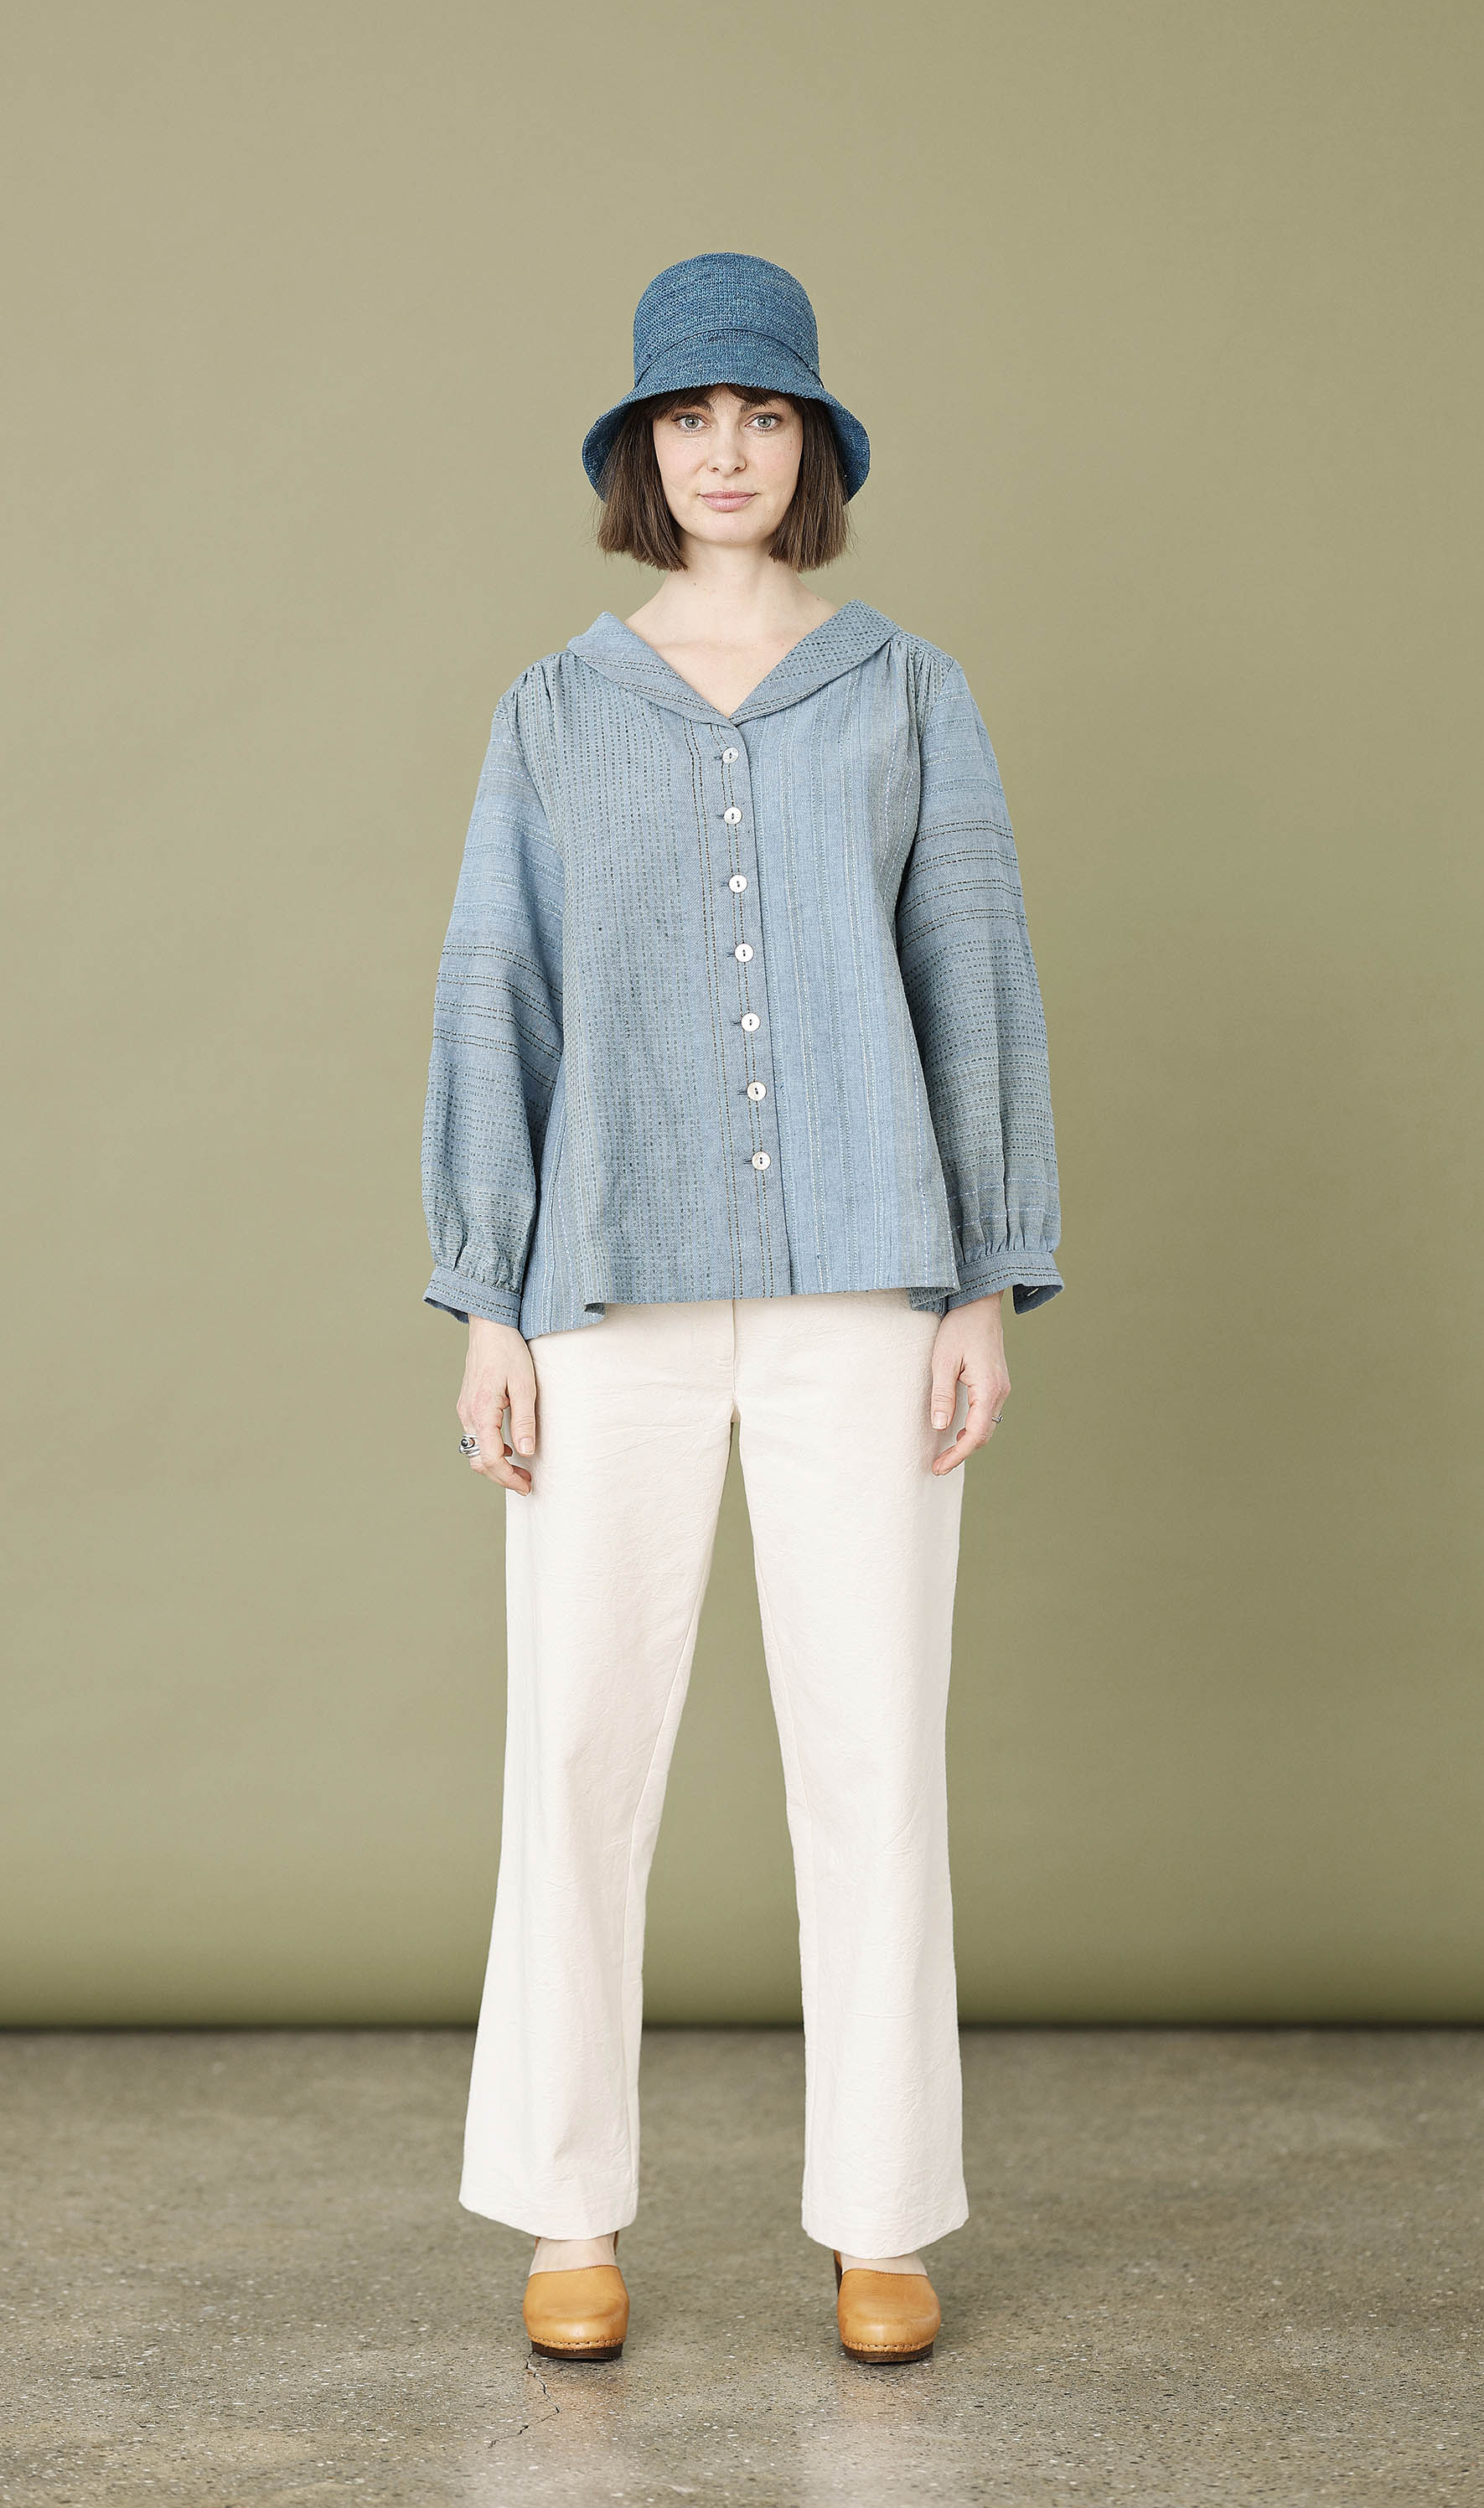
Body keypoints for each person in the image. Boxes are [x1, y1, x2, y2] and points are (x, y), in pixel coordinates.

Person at [420, 251, 1063, 2367]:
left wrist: (984, 1281)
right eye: (688, 416)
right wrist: (487, 1302)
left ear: (810, 447)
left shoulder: (908, 693)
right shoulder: (551, 708)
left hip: (867, 1292)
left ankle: (883, 2219)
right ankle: (566, 2214)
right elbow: (494, 996)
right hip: (599, 1295)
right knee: (577, 1751)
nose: (724, 449)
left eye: (762, 414)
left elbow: (973, 979)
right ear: (640, 450)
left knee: (873, 1754)